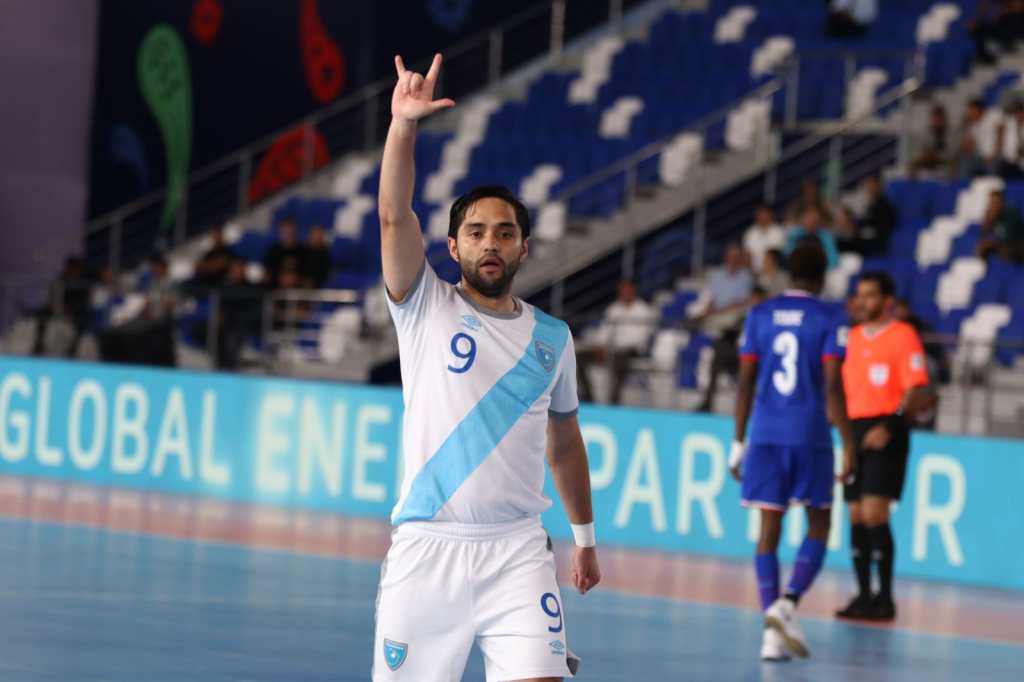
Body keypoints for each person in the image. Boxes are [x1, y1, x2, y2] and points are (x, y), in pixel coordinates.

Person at [373, 52, 600, 682]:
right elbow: (394, 215)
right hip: (427, 551)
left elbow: (564, 443)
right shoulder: (424, 307)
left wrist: (583, 537)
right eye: (475, 233)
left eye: (504, 233)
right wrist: (403, 127)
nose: (490, 243)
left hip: (519, 552)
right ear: (452, 248)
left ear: (524, 247)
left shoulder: (553, 339)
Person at [730, 244, 856, 661]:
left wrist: (738, 442)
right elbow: (834, 384)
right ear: (823, 276)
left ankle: (771, 633)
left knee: (769, 530)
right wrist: (848, 443)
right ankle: (787, 604)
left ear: (788, 274)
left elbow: (745, 381)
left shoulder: (760, 314)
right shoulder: (831, 316)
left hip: (765, 434)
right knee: (819, 523)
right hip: (809, 433)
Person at [836, 272, 935, 622]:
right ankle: (863, 594)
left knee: (875, 512)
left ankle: (886, 597)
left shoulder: (904, 336)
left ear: (887, 300)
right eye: (860, 295)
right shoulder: (853, 337)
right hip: (855, 429)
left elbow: (916, 389)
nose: (863, 301)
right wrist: (844, 434)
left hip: (886, 429)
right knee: (854, 514)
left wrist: (890, 425)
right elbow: (842, 388)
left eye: (871, 295)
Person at [576, 280, 658, 404]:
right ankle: (588, 398)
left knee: (619, 359)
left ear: (633, 291)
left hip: (632, 350)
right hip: (610, 349)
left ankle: (614, 401)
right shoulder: (614, 308)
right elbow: (604, 331)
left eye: (626, 290)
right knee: (579, 357)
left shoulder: (643, 310)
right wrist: (600, 345)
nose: (623, 293)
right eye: (621, 291)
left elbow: (639, 339)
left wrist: (612, 347)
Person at [841, 174, 898, 257]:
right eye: (867, 185)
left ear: (878, 185)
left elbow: (882, 224)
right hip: (869, 235)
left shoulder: (884, 204)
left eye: (871, 184)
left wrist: (864, 229)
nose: (868, 187)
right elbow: (867, 221)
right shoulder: (872, 204)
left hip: (879, 240)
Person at [784, 205, 840, 270]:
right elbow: (787, 254)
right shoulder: (794, 234)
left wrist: (823, 270)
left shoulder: (826, 236)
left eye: (814, 219)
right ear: (803, 219)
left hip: (820, 271)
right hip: (799, 270)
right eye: (808, 218)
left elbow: (833, 258)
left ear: (818, 220)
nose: (811, 221)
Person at [977, 188, 1024, 263]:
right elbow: (983, 234)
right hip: (1002, 244)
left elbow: (1009, 237)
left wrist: (993, 243)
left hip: (1017, 243)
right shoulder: (989, 214)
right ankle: (988, 271)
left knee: (1005, 250)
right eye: (991, 202)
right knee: (981, 247)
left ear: (1002, 202)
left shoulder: (1011, 213)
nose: (994, 205)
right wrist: (989, 221)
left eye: (996, 202)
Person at [910, 104, 952, 178]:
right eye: (934, 119)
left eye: (939, 119)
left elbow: (951, 153)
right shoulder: (925, 133)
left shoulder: (949, 134)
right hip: (926, 165)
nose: (936, 121)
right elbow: (919, 153)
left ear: (943, 119)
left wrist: (937, 156)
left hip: (942, 166)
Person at [263, 218, 306, 287]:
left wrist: (295, 279)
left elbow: (307, 274)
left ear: (295, 231)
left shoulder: (303, 251)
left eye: (290, 231)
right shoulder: (273, 251)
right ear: (280, 232)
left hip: (299, 291)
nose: (288, 233)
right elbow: (268, 274)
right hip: (276, 290)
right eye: (285, 231)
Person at [743, 205, 786, 273]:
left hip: (774, 272)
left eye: (765, 214)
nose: (763, 217)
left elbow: (778, 255)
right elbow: (747, 255)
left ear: (770, 215)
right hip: (754, 272)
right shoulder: (750, 233)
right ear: (756, 216)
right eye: (760, 214)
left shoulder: (778, 231)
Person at [304, 224, 332, 288]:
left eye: (320, 234)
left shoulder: (326, 253)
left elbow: (327, 273)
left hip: (320, 284)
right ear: (310, 235)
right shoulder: (304, 251)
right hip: (304, 284)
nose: (317, 237)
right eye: (315, 234)